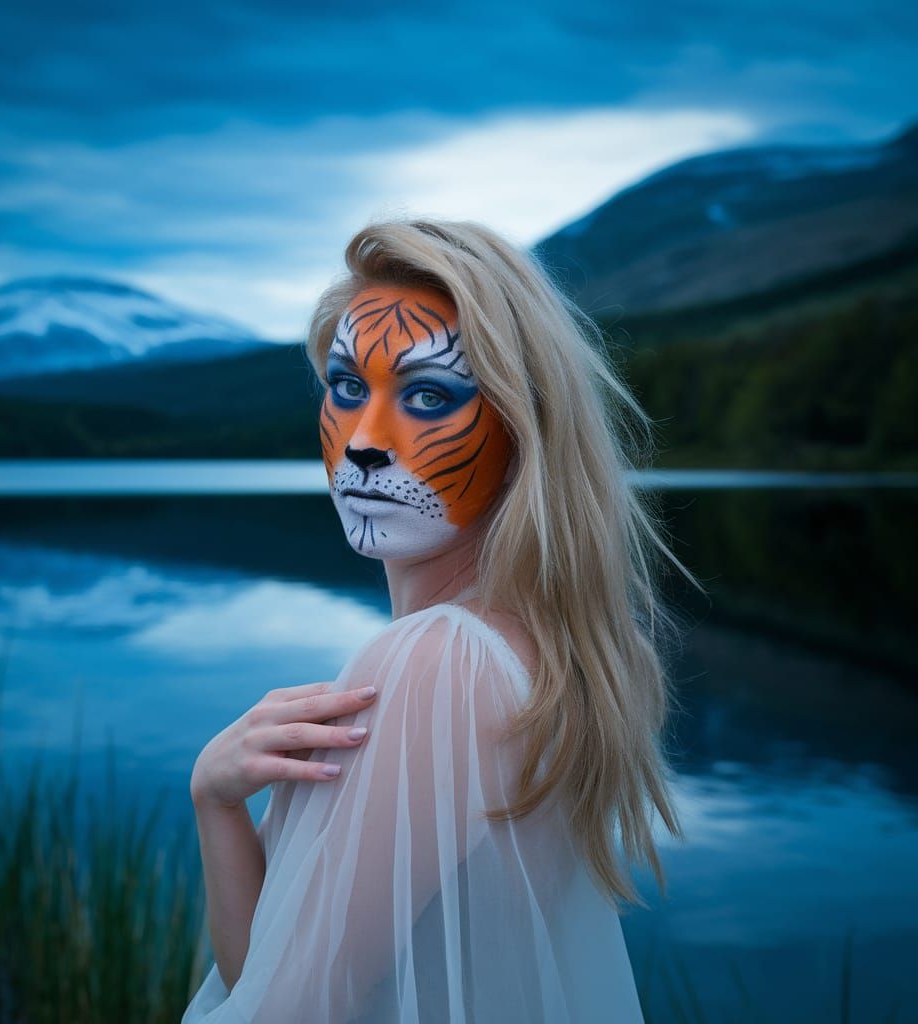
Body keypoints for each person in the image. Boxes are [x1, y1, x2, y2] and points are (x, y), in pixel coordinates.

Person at [183, 217, 692, 1022]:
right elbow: (280, 975)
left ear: (522, 430)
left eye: (428, 396)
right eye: (347, 387)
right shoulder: (549, 649)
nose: (365, 443)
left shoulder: (442, 659)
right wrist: (216, 799)